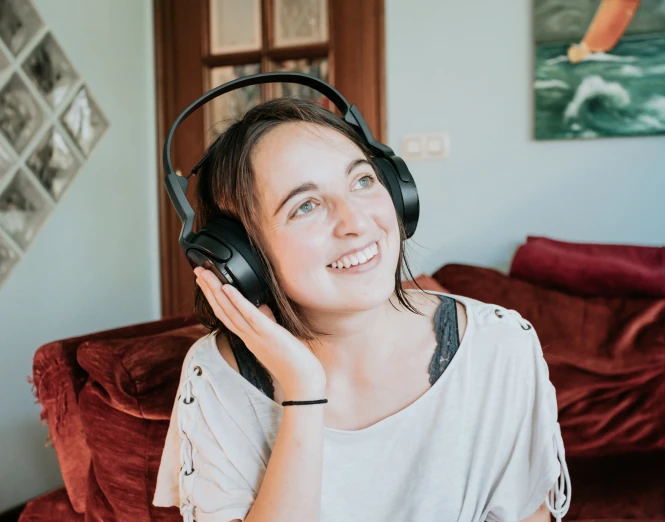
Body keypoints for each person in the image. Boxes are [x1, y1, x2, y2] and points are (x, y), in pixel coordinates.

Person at [152, 97, 571, 522]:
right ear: (240, 260)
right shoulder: (218, 375)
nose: (355, 221)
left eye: (363, 181)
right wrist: (303, 390)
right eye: (306, 206)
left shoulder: (499, 346)